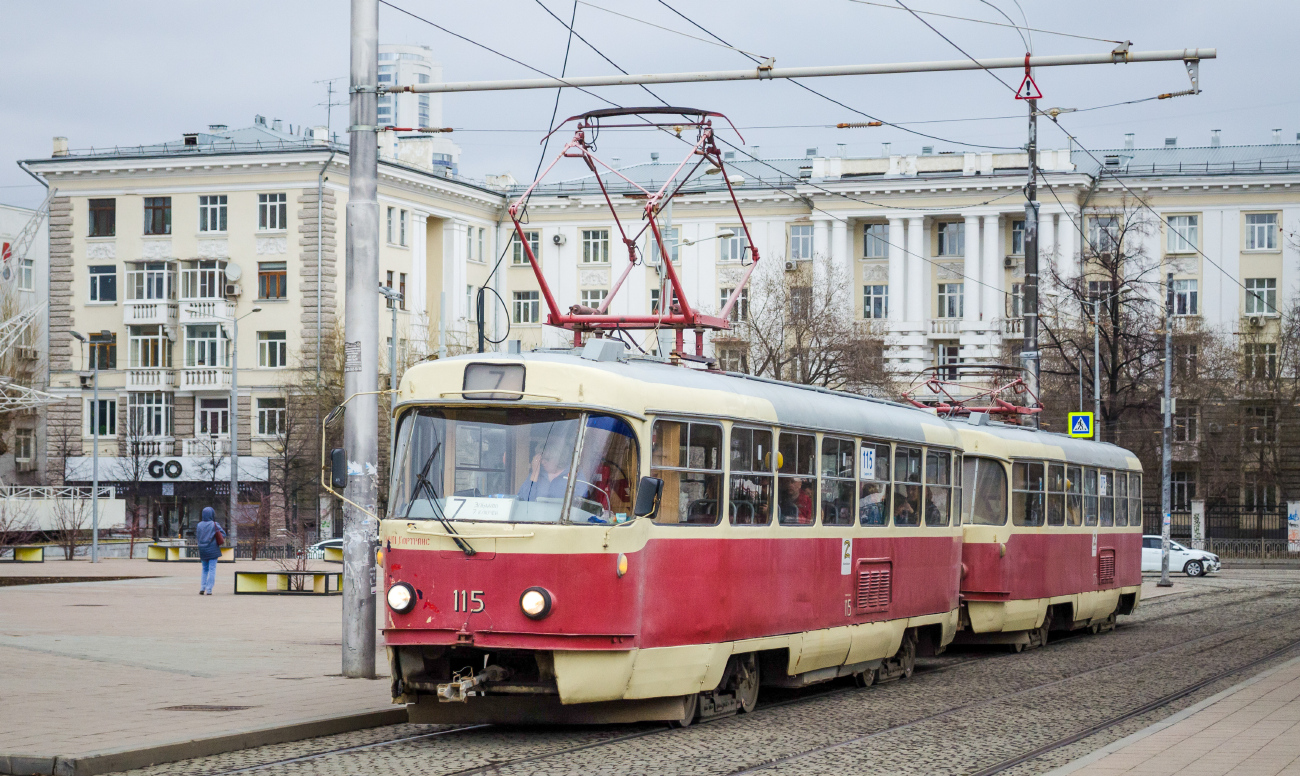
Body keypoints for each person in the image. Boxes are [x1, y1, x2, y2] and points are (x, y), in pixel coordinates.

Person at [195, 507, 225, 595]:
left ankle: (202, 587)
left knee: (204, 569)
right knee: (212, 569)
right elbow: (223, 534)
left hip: (202, 549)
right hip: (212, 549)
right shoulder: (214, 524)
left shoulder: (199, 525)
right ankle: (209, 589)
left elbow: (198, 536)